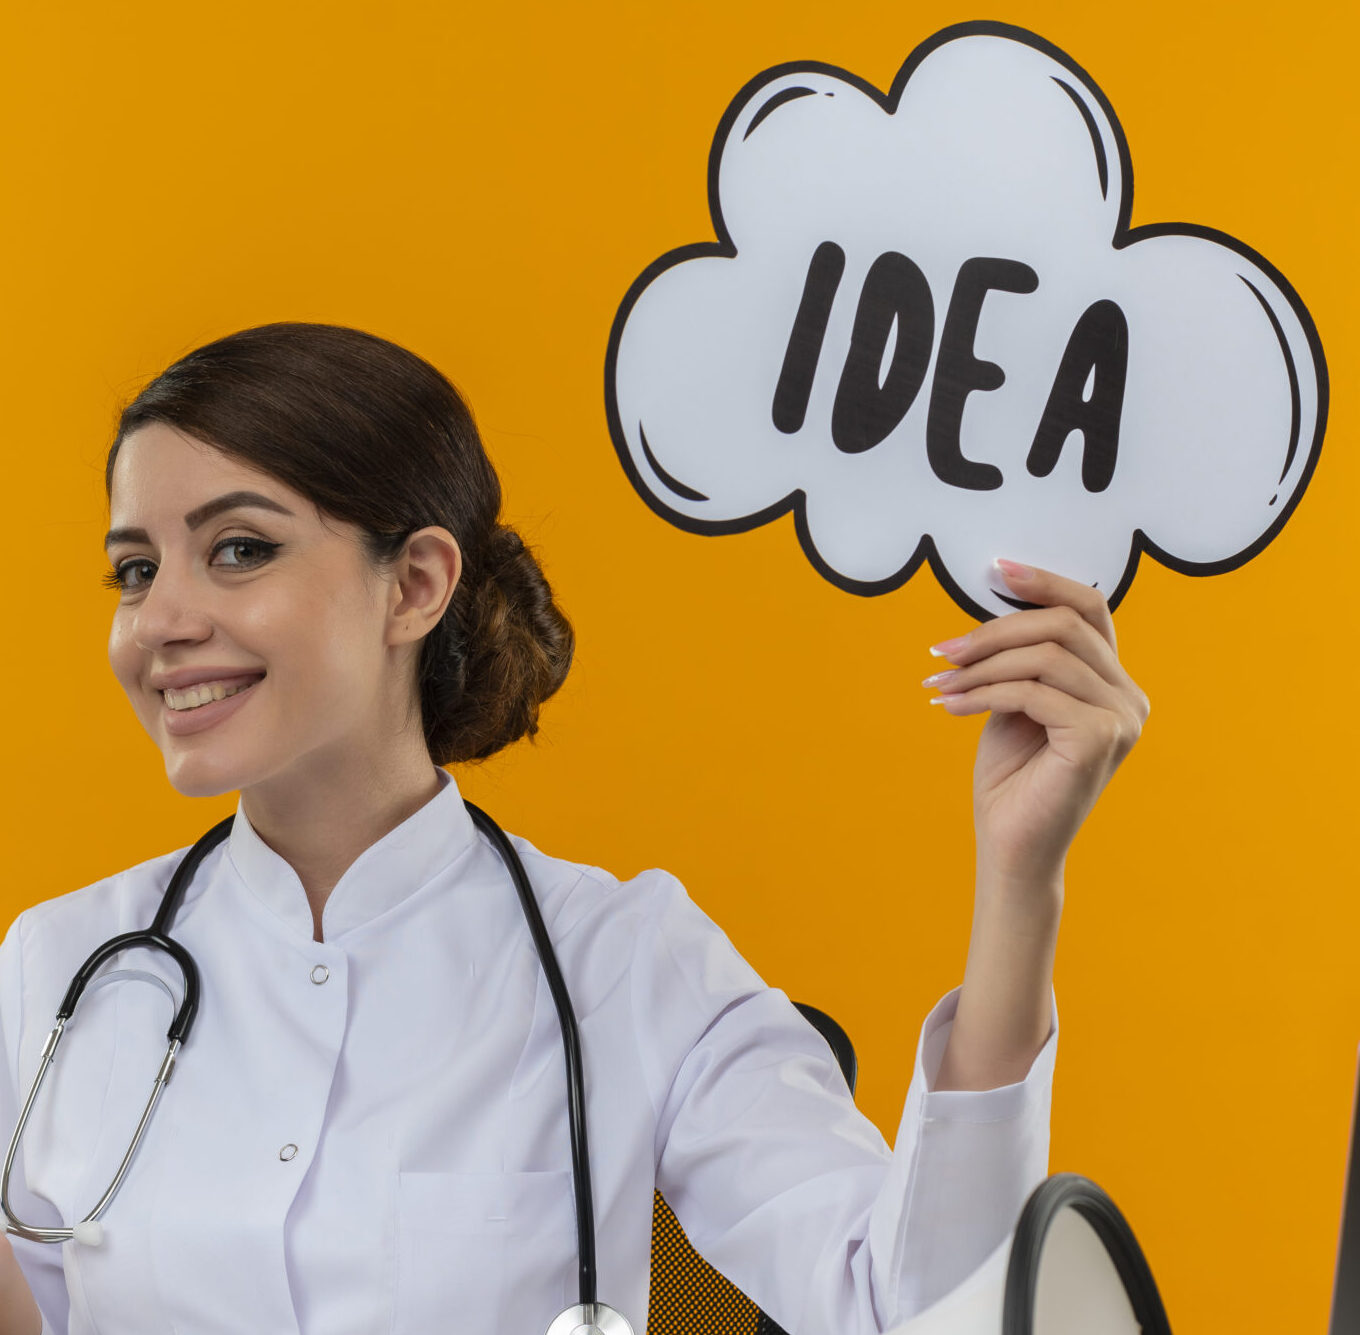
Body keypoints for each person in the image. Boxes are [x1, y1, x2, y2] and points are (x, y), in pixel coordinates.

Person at [0, 322, 1147, 1335]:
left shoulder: (625, 963)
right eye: (134, 570)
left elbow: (907, 1312)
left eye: (239, 549)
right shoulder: (57, 970)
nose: (162, 622)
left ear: (413, 587)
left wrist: (1019, 878)